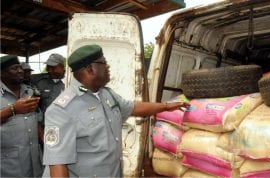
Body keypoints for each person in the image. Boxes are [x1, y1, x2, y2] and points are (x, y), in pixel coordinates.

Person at [42, 45, 190, 177]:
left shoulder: (106, 94)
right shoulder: (61, 110)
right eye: (104, 63)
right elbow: (57, 164)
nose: (108, 67)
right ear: (90, 69)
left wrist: (165, 106)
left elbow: (133, 107)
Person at [0, 55, 44, 177]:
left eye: (20, 67)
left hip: (35, 163)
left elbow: (37, 122)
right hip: (8, 167)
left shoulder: (30, 92)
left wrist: (48, 144)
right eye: (14, 68)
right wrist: (13, 110)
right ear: (2, 73)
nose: (20, 71)